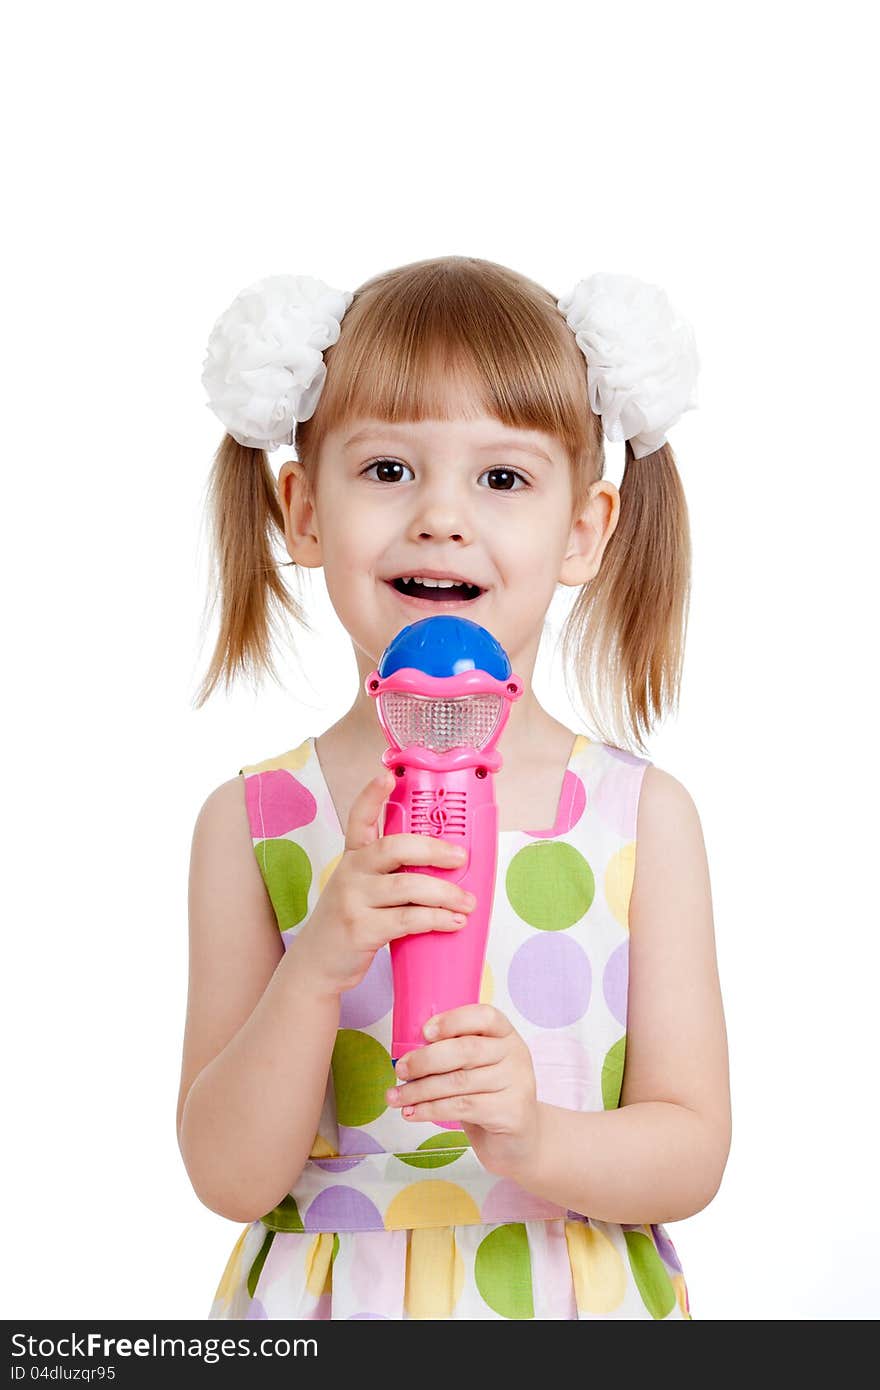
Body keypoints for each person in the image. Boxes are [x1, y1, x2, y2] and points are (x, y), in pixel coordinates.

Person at [178, 255, 730, 1321]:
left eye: (502, 477)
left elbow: (692, 1150)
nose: (440, 516)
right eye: (387, 470)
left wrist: (537, 1135)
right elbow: (226, 1174)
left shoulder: (639, 820)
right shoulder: (253, 824)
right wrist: (317, 965)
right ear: (300, 510)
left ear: (583, 529)